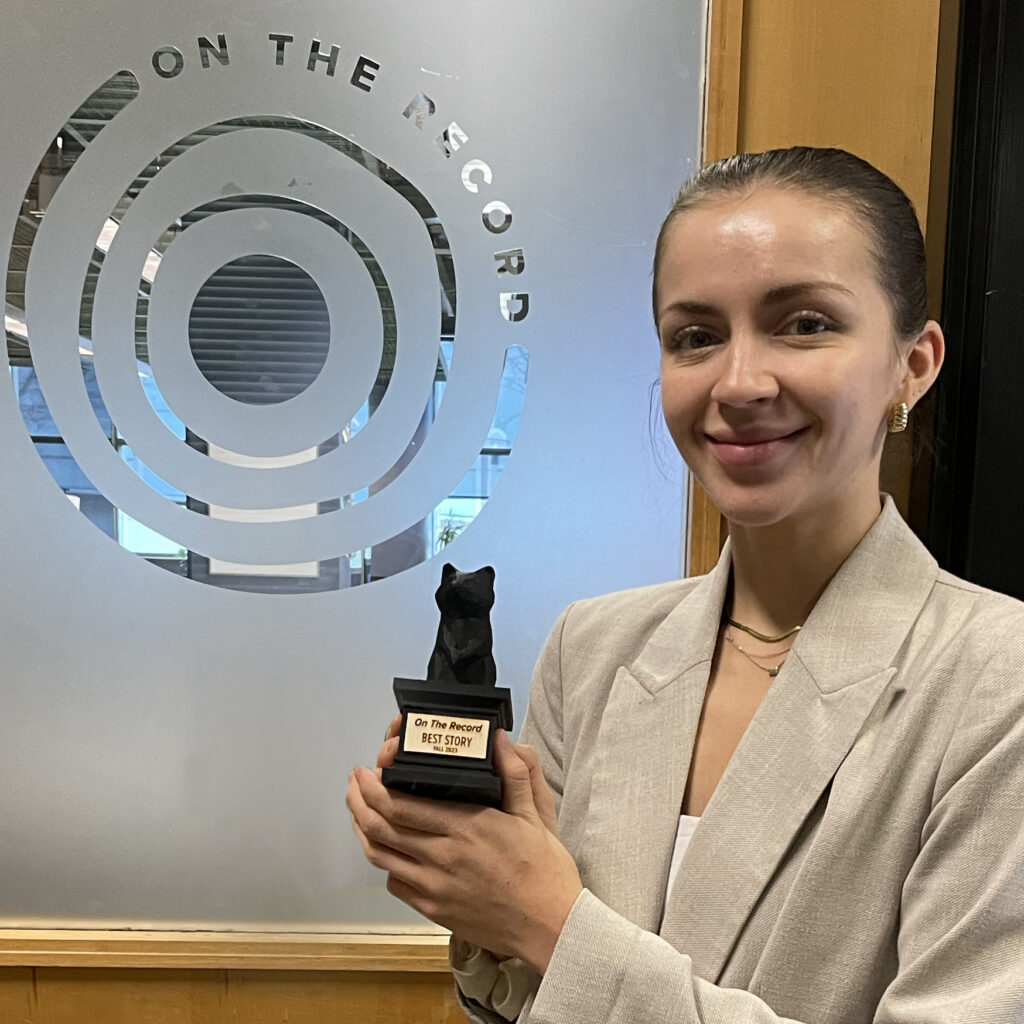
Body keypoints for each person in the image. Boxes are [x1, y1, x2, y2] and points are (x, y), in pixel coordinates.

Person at [347, 147, 1024, 1023]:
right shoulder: (593, 648)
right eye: (695, 337)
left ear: (914, 364)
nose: (739, 383)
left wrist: (548, 920)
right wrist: (483, 903)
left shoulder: (993, 681)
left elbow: (567, 944)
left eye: (806, 323)